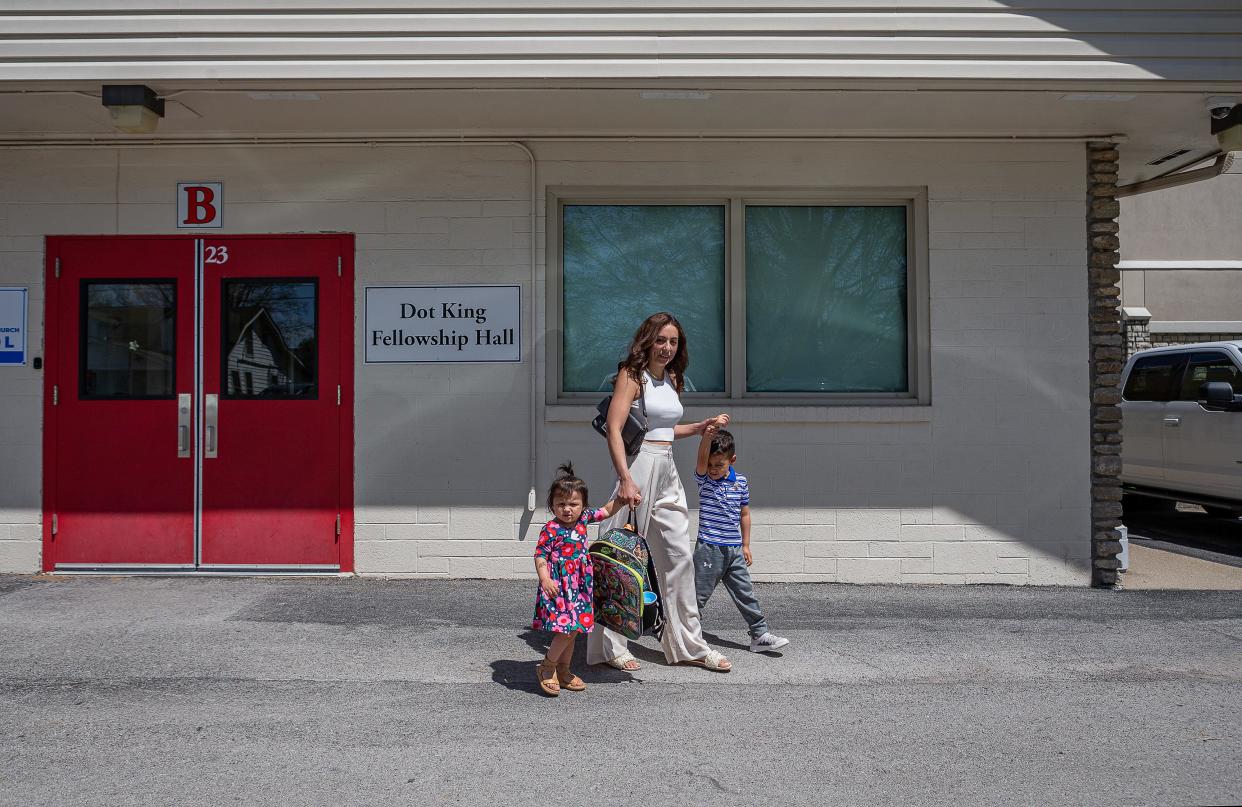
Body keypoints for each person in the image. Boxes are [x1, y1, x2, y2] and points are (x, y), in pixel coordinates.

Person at [587, 312, 733, 673]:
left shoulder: (672, 378)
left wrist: (698, 428)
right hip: (637, 467)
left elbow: (664, 428)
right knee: (619, 557)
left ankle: (689, 645)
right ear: (647, 340)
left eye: (673, 341)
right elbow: (615, 429)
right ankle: (610, 647)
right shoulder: (631, 376)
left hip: (667, 468)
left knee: (679, 556)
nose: (668, 347)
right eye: (661, 340)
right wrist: (624, 478)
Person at [692, 424, 790, 653]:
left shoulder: (741, 482)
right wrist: (707, 436)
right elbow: (701, 458)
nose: (713, 469)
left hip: (734, 549)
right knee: (698, 594)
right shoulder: (704, 480)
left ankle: (760, 634)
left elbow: (744, 514)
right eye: (710, 464)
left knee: (746, 593)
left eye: (719, 464)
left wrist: (746, 545)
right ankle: (687, 632)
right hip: (708, 548)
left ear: (731, 460)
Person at [532, 463, 627, 697]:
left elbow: (606, 510)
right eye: (560, 504)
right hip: (559, 585)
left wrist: (623, 500)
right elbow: (540, 554)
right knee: (565, 630)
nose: (567, 509)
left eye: (573, 504)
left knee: (574, 629)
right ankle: (547, 666)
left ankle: (564, 670)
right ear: (552, 505)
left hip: (580, 584)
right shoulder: (551, 529)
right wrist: (545, 578)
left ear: (583, 505)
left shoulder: (583, 519)